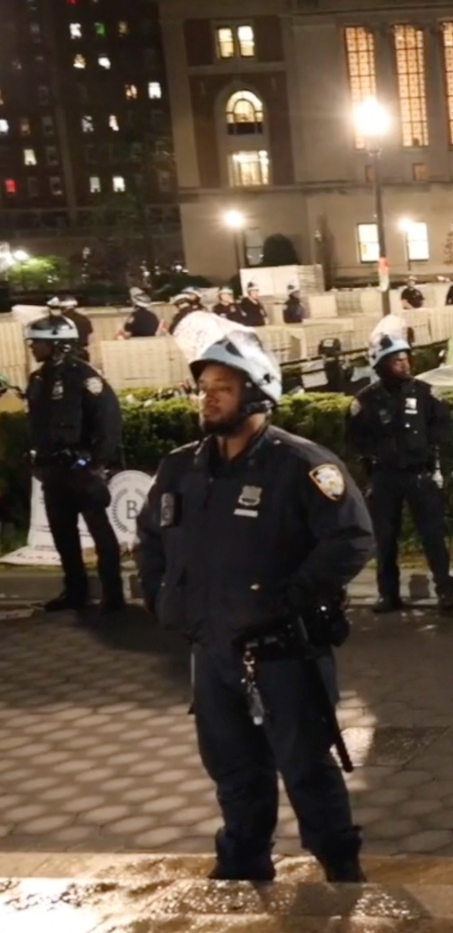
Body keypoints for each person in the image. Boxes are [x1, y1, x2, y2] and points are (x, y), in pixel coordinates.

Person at [136, 330, 373, 884]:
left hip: (283, 654)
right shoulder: (179, 469)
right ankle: (243, 863)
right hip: (212, 654)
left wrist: (288, 600)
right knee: (233, 770)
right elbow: (148, 537)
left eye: (222, 386)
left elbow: (351, 538)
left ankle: (339, 867)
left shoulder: (298, 465)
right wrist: (162, 597)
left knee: (307, 770)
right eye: (203, 387)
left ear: (258, 392)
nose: (208, 397)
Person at [22, 306, 125, 613]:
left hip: (81, 469)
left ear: (57, 343)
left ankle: (113, 594)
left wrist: (96, 462)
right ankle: (75, 592)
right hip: (53, 470)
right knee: (62, 535)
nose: (32, 347)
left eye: (36, 341)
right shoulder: (38, 379)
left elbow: (108, 420)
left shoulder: (85, 377)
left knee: (100, 532)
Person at [346, 332, 453, 613]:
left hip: (420, 476)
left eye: (406, 359)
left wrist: (426, 445)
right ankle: (388, 595)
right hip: (385, 478)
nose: (405, 365)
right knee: (384, 539)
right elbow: (354, 437)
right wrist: (377, 454)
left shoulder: (424, 392)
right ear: (382, 365)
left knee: (433, 536)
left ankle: (445, 592)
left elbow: (445, 425)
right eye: (397, 361)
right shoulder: (366, 401)